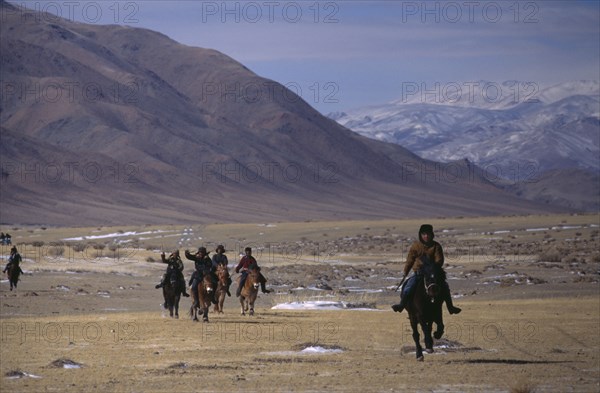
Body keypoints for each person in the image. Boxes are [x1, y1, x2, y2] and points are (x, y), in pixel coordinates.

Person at [392, 224, 461, 315]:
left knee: (445, 287)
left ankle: (450, 307)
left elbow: (439, 260)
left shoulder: (436, 246)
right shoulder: (416, 246)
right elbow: (410, 260)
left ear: (432, 235)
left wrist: (430, 267)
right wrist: (405, 272)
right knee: (408, 286)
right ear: (420, 235)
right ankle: (401, 305)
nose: (426, 236)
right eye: (424, 234)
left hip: (432, 274)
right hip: (419, 273)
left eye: (428, 234)